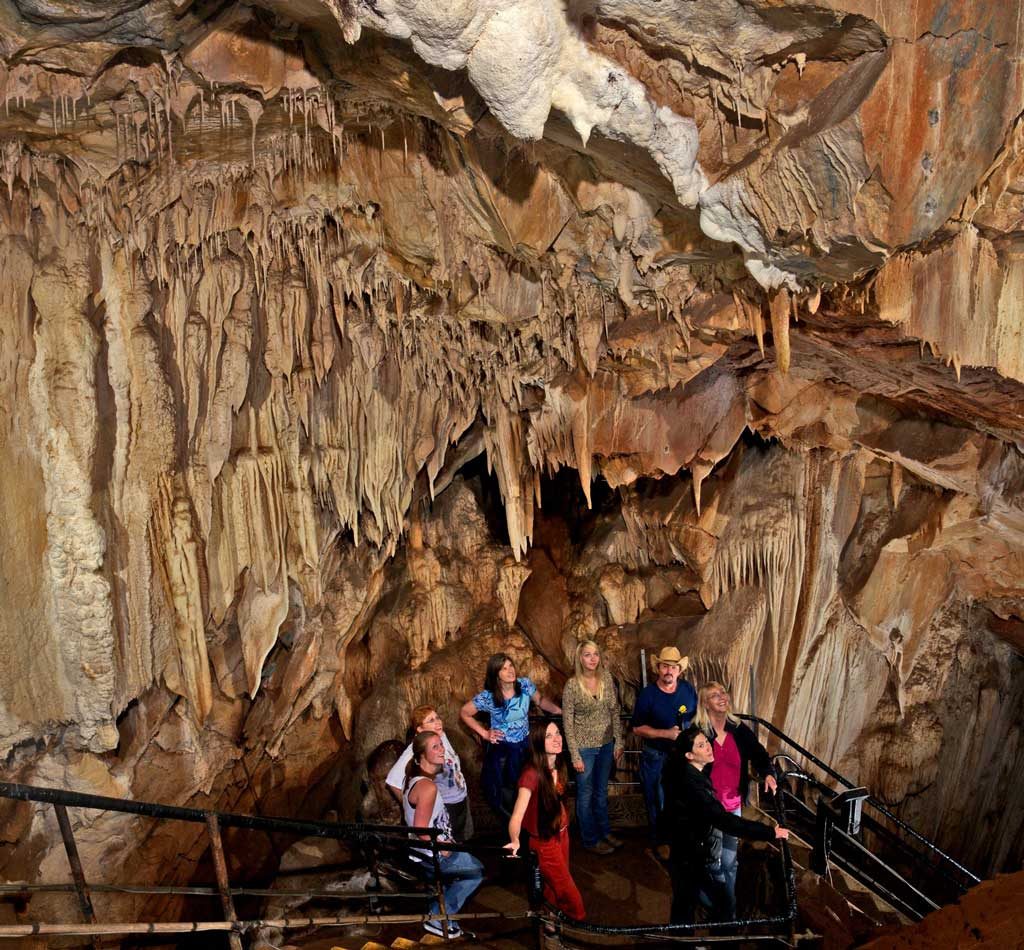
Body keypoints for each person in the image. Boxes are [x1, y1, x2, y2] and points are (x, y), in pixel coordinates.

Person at [663, 725, 789, 924]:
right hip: (692, 854)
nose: (708, 747)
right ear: (689, 755)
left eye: (706, 742)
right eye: (701, 745)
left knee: (686, 901)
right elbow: (726, 822)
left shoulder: (692, 772)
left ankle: (692, 935)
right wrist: (770, 832)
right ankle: (722, 934)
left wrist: (766, 771)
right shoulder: (693, 786)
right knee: (713, 902)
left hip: (688, 850)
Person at [695, 682, 778, 918]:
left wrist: (769, 773)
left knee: (730, 863)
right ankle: (711, 901)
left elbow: (759, 754)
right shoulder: (698, 734)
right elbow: (686, 767)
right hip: (709, 808)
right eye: (714, 695)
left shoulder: (738, 729)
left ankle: (728, 913)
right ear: (705, 703)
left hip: (732, 805)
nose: (722, 697)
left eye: (723, 693)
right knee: (713, 862)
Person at [402, 731, 484, 940]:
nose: (441, 750)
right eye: (435, 747)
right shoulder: (427, 786)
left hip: (428, 849)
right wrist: (441, 846)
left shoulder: (414, 779)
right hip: (431, 853)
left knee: (467, 867)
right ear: (422, 755)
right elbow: (420, 828)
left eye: (441, 745)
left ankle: (439, 909)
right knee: (474, 873)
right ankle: (437, 918)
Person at [460, 653, 562, 817]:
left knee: (530, 784)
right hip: (503, 752)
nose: (510, 671)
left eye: (511, 666)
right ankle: (515, 829)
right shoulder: (489, 696)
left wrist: (559, 711)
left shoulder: (525, 685)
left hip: (525, 746)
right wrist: (485, 733)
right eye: (504, 668)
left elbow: (541, 701)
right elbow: (464, 712)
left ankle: (530, 823)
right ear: (496, 674)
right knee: (507, 791)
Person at [505, 720, 585, 921]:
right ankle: (579, 924)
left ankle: (550, 927)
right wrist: (515, 840)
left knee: (552, 887)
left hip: (561, 834)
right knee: (570, 894)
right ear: (538, 742)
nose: (557, 739)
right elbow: (517, 815)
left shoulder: (558, 764)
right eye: (549, 736)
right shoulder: (531, 775)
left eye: (557, 733)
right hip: (544, 842)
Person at [630, 646, 697, 847]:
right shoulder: (648, 695)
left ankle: (677, 839)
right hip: (655, 756)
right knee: (656, 799)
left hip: (681, 756)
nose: (669, 671)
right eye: (665, 666)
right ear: (658, 668)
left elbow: (695, 716)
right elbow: (637, 728)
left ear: (680, 670)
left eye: (673, 667)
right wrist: (666, 733)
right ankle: (659, 841)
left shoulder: (687, 690)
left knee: (680, 797)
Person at [561, 639, 624, 854]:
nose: (592, 658)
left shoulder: (606, 678)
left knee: (600, 792)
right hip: (584, 749)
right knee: (585, 794)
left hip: (606, 745)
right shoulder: (572, 685)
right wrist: (575, 755)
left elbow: (614, 711)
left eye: (595, 654)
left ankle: (604, 831)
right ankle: (590, 839)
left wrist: (619, 741)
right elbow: (567, 722)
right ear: (580, 658)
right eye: (587, 654)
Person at [386, 705, 472, 840]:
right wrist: (411, 807)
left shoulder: (441, 737)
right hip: (446, 807)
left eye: (437, 718)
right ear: (419, 729)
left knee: (461, 841)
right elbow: (392, 780)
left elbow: (452, 763)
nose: (437, 722)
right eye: (431, 720)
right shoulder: (416, 749)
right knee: (449, 847)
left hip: (460, 799)